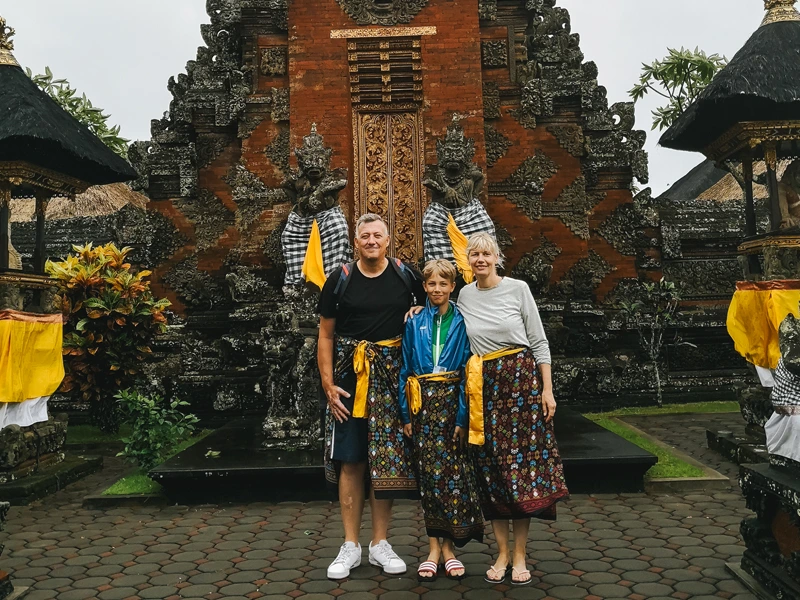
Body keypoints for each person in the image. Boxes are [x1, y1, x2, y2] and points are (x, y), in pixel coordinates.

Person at [457, 232, 569, 586]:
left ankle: (520, 553)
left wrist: (547, 390)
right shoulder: (465, 294)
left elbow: (538, 341)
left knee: (522, 471)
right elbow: (444, 312)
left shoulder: (517, 289)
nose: (480, 260)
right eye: (474, 254)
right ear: (468, 260)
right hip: (484, 386)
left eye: (486, 254)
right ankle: (501, 551)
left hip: (520, 383)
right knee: (492, 471)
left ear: (497, 258)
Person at [317, 213, 425, 580]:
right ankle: (350, 544)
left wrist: (420, 308)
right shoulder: (340, 281)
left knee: (387, 459)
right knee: (351, 459)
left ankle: (380, 543)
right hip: (350, 375)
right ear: (356, 242)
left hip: (392, 376)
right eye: (365, 236)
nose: (372, 241)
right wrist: (329, 385)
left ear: (388, 240)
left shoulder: (407, 276)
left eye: (378, 235)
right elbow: (326, 336)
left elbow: (432, 311)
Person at [398, 259, 484, 582]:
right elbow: (405, 369)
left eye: (443, 284)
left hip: (451, 402)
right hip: (422, 404)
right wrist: (406, 414)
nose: (437, 290)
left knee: (451, 475)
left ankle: (450, 548)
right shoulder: (414, 322)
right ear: (424, 287)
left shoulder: (462, 322)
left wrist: (463, 417)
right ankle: (433, 547)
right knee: (428, 477)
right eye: (431, 284)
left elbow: (466, 371)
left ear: (452, 287)